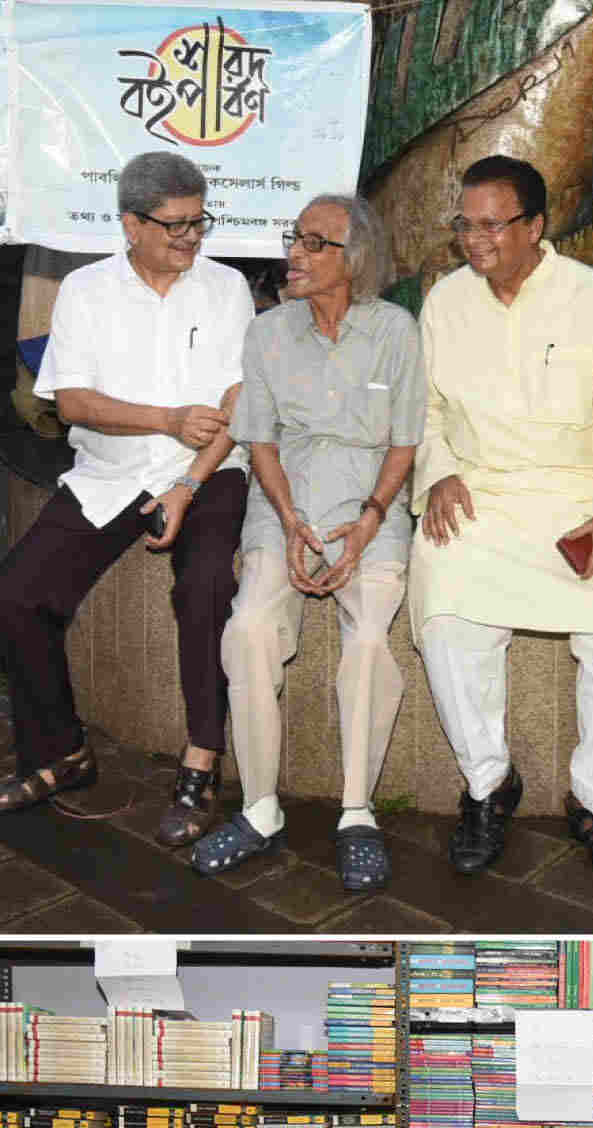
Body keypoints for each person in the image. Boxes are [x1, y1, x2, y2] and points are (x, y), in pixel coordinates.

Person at [410, 155, 593, 878]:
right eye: (465, 224)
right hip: (481, 494)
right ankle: (489, 785)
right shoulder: (445, 302)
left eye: (492, 223)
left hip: (582, 499)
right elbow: (421, 414)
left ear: (536, 226)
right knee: (448, 622)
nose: (476, 239)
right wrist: (441, 473)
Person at [0, 152, 254, 847]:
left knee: (204, 589)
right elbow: (74, 401)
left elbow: (238, 403)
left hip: (206, 471)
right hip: (111, 471)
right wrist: (164, 417)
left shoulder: (227, 288)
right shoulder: (85, 290)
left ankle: (202, 762)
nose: (191, 239)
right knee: (18, 596)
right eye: (174, 226)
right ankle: (60, 752)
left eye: (199, 223)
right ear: (131, 223)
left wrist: (187, 478)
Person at [191, 194, 426, 892]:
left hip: (369, 507)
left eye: (314, 243)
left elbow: (406, 441)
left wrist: (370, 519)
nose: (294, 252)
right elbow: (259, 439)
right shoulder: (268, 334)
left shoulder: (396, 331)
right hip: (284, 499)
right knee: (250, 629)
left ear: (353, 261)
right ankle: (261, 807)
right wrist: (290, 520)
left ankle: (357, 813)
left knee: (370, 642)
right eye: (295, 238)